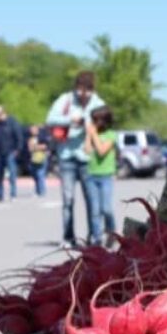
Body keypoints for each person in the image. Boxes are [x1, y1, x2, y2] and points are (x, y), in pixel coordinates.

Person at [46, 70, 106, 247]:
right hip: (66, 156)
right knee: (68, 200)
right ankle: (68, 237)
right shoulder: (65, 99)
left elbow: (105, 122)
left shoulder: (98, 102)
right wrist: (69, 119)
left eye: (86, 91)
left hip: (88, 158)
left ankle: (94, 237)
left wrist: (87, 120)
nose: (82, 95)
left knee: (92, 200)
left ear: (92, 90)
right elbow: (50, 119)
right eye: (79, 90)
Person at [83, 106, 117, 247]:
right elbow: (87, 150)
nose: (93, 123)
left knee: (106, 209)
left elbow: (102, 151)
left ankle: (111, 232)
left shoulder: (110, 135)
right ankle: (97, 238)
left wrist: (94, 134)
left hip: (106, 176)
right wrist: (88, 135)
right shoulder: (93, 134)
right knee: (95, 210)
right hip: (92, 175)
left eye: (95, 120)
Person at [0, 104, 24, 202]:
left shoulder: (12, 122)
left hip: (10, 152)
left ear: (3, 112)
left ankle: (13, 194)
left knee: (12, 174)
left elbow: (19, 136)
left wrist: (18, 150)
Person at [28, 125, 49, 197]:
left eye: (33, 129)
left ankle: (42, 191)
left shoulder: (42, 137)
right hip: (33, 159)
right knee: (35, 176)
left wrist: (35, 147)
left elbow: (45, 146)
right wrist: (34, 147)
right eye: (31, 130)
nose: (32, 131)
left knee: (40, 174)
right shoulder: (30, 138)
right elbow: (30, 148)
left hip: (41, 158)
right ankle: (37, 191)